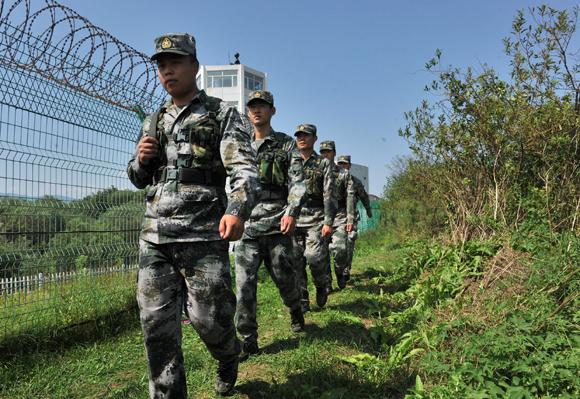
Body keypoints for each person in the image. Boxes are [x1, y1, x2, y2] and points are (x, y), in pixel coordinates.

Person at [127, 33, 260, 398]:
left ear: (195, 67)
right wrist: (141, 159)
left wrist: (237, 209)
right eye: (161, 65)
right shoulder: (153, 120)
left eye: (175, 62)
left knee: (209, 322)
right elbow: (138, 178)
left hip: (202, 234)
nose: (167, 70)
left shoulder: (220, 113)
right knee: (157, 331)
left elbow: (244, 169)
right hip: (155, 238)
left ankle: (227, 355)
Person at [234, 90, 307, 361]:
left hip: (278, 223)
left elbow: (297, 182)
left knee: (285, 279)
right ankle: (248, 339)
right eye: (252, 106)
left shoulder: (286, 144)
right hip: (248, 224)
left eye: (262, 106)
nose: (256, 110)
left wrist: (292, 211)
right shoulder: (240, 144)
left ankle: (295, 309)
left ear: (272, 111)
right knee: (243, 284)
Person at [293, 124, 337, 313]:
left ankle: (321, 284)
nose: (302, 138)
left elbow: (329, 194)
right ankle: (302, 298)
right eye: (299, 135)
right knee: (295, 261)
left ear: (315, 139)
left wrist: (328, 222)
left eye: (306, 135)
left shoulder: (323, 164)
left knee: (313, 257)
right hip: (294, 218)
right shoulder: (291, 161)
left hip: (316, 217)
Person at [319, 142, 355, 290]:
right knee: (321, 252)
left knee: (340, 249)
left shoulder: (343, 173)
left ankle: (340, 271)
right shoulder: (316, 172)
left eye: (328, 152)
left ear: (334, 153)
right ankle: (327, 282)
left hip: (339, 215)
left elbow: (350, 197)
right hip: (320, 215)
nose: (325, 155)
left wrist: (350, 218)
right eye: (322, 152)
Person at [336, 154, 373, 280]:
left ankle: (346, 269)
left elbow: (364, 197)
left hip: (351, 216)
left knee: (350, 242)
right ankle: (337, 269)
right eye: (340, 164)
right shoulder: (331, 180)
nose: (343, 166)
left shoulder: (355, 181)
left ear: (349, 165)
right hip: (335, 217)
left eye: (345, 164)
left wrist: (368, 210)